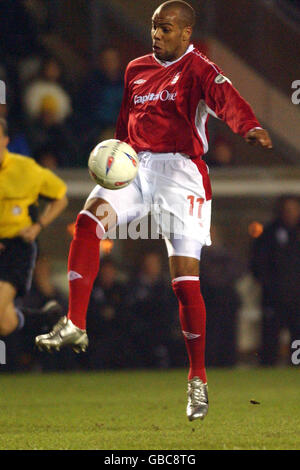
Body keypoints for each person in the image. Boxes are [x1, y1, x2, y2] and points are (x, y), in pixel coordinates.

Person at [36, 1, 272, 422]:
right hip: (135, 167)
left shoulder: (199, 68)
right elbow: (125, 122)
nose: (156, 34)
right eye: (153, 27)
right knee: (88, 223)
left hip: (181, 174)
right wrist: (115, 158)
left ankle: (197, 380)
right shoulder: (135, 69)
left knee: (183, 283)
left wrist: (248, 125)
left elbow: (226, 97)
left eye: (165, 28)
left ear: (186, 33)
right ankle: (75, 322)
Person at [0, 117, 68, 338]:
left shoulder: (25, 169)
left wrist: (38, 226)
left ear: (5, 140)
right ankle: (44, 318)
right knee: (4, 323)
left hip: (16, 248)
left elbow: (60, 197)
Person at [251, 195, 300, 365]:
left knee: (297, 337)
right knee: (270, 337)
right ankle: (267, 368)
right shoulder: (268, 234)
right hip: (274, 297)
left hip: (297, 299)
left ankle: (296, 367)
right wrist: (268, 285)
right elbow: (258, 263)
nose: (290, 214)